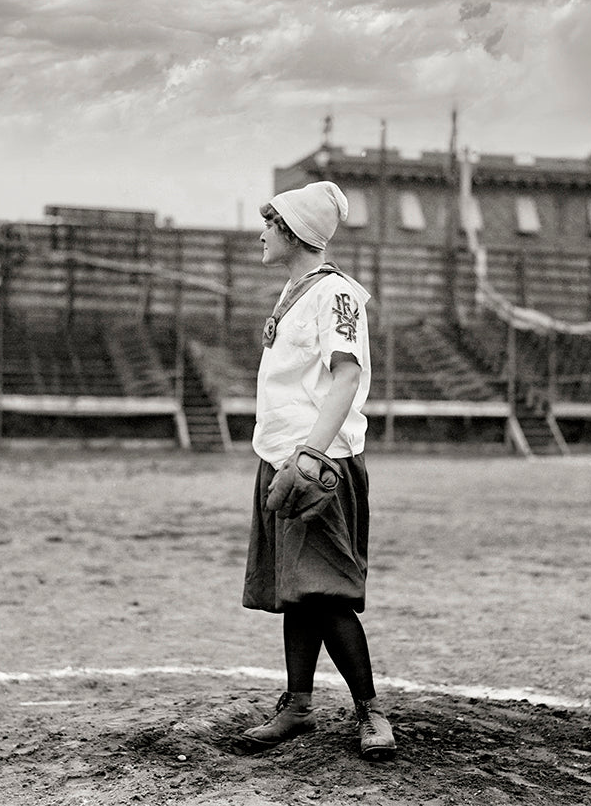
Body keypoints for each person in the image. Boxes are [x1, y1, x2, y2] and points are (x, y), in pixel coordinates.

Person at [239, 180, 396, 761]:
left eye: (270, 224)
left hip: (318, 463)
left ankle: (370, 712)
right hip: (280, 457)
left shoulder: (337, 295)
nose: (261, 233)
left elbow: (347, 376)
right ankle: (299, 706)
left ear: (295, 233)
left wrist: (310, 456)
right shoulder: (293, 290)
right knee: (296, 592)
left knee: (327, 593)